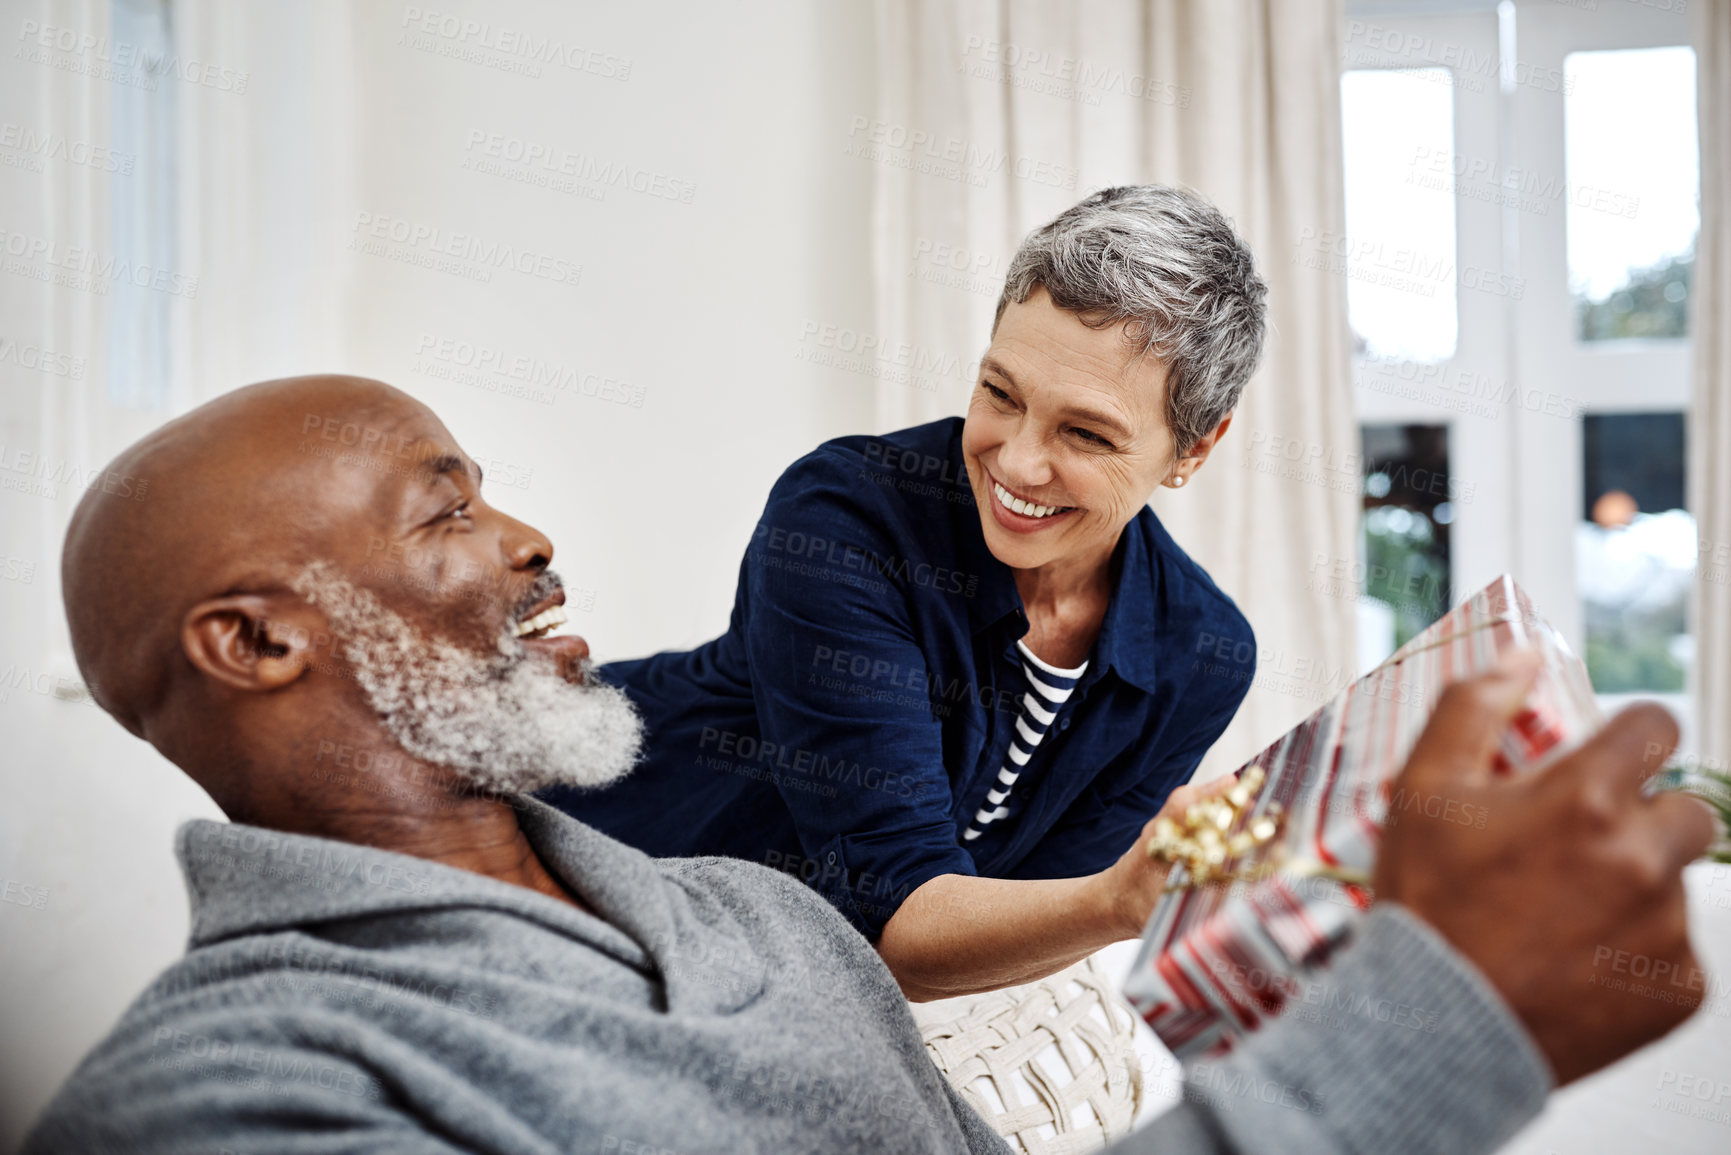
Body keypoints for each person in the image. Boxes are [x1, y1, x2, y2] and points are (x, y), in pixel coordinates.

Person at [25, 375, 1715, 1155]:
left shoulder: (761, 925)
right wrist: (1434, 1030)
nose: (534, 539)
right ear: (253, 644)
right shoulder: (232, 1107)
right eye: (449, 508)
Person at [546, 186, 1267, 999]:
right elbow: (893, 923)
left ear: (1193, 449)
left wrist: (1111, 901)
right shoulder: (844, 518)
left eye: (1086, 433)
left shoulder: (1198, 656)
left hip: (772, 979)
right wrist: (1119, 901)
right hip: (588, 887)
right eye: (1000, 393)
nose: (1017, 463)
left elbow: (1027, 922)